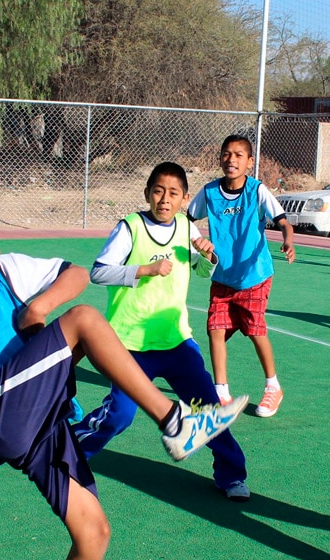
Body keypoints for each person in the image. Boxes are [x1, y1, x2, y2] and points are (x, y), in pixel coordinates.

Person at [0, 194, 248, 560]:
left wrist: (38, 307)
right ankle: (175, 422)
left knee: (93, 535)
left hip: (40, 418)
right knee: (83, 321)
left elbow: (76, 274)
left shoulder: (4, 271)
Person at [72, 162, 250, 501]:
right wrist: (145, 269)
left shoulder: (186, 227)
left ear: (184, 199)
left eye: (173, 194)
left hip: (176, 342)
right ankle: (69, 451)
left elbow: (199, 269)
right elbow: (98, 272)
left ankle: (231, 475)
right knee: (120, 415)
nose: (164, 199)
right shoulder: (130, 227)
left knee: (208, 411)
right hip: (128, 345)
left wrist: (208, 257)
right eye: (158, 191)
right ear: (147, 194)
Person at [188, 135, 295, 418]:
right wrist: (192, 245)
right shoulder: (210, 192)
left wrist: (288, 240)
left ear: (249, 162)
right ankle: (221, 392)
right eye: (226, 154)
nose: (231, 159)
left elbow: (284, 221)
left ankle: (273, 386)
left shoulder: (257, 191)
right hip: (222, 276)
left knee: (255, 330)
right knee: (215, 330)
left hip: (254, 276)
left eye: (238, 155)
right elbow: (186, 219)